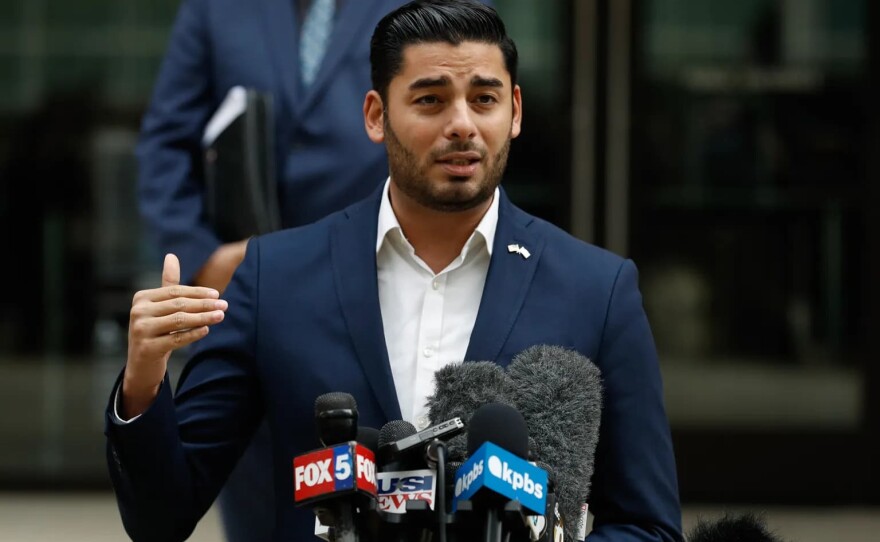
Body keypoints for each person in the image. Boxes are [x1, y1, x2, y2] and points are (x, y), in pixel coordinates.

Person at [107, 1, 683, 540]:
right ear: (377, 116)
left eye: (484, 100)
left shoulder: (597, 290)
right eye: (430, 100)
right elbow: (161, 516)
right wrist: (143, 380)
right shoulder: (275, 278)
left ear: (515, 112)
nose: (462, 124)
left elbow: (647, 526)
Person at [134, 0, 411, 539]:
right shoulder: (216, 9)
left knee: (378, 501)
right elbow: (167, 142)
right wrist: (204, 258)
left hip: (374, 289)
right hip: (244, 298)